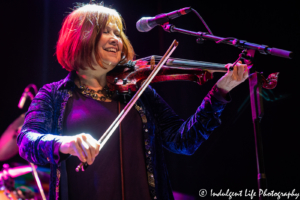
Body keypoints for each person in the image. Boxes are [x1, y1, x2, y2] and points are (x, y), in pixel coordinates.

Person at [17, 3, 248, 200]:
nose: (115, 39)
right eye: (106, 31)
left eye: (118, 33)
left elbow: (183, 141)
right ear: (80, 38)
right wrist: (63, 143)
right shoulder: (53, 94)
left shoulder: (140, 93)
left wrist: (219, 93)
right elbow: (27, 141)